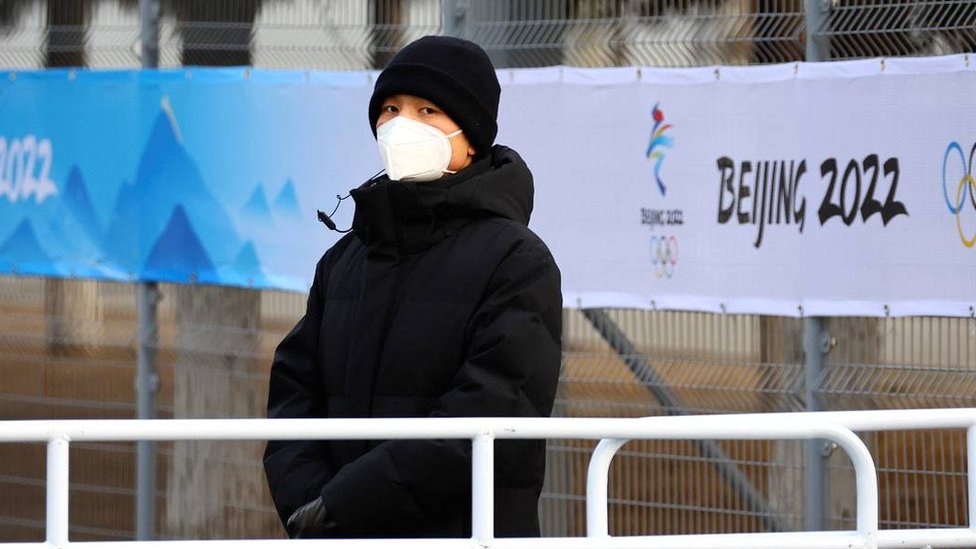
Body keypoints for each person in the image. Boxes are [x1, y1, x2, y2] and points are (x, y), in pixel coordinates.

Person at [263, 35, 562, 539]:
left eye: (427, 111)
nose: (402, 125)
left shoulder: (515, 261)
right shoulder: (345, 259)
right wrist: (308, 500)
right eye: (390, 109)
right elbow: (295, 389)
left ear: (471, 138)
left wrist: (344, 502)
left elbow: (493, 407)